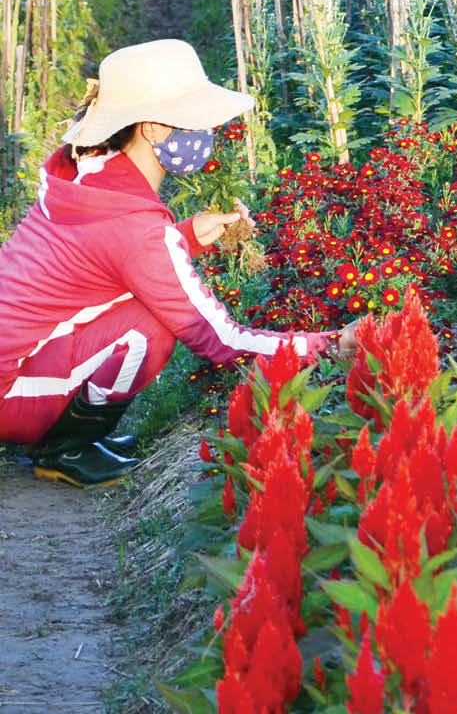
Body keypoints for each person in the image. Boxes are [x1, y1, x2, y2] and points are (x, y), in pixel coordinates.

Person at [0, 39, 358, 487]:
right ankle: (64, 447)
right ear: (150, 128)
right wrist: (330, 344)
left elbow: (103, 261)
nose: (204, 130)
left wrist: (187, 235)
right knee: (151, 330)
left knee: (143, 311)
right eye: (191, 119)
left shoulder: (86, 172)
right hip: (8, 393)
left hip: (14, 359)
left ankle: (66, 435)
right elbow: (222, 340)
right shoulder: (136, 226)